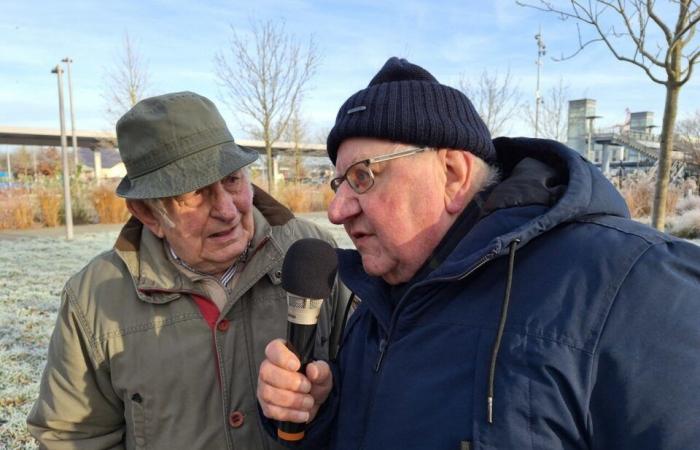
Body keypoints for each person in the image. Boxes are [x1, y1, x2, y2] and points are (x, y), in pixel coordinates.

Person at [257, 57, 700, 449]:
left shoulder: (636, 285)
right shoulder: (375, 302)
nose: (336, 211)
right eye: (339, 184)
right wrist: (318, 411)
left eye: (363, 177)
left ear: (452, 173)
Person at [27, 91, 348, 449]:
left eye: (232, 180)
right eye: (195, 192)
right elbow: (72, 438)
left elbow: (373, 383)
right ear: (148, 214)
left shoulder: (312, 254)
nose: (226, 209)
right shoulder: (92, 300)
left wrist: (328, 394)